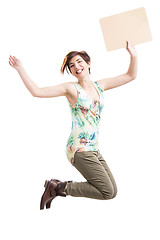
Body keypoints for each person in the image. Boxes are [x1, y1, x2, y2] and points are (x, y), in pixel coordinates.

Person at [9, 41, 137, 210]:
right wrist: (20, 68)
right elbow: (37, 91)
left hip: (93, 148)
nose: (76, 66)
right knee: (106, 191)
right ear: (71, 71)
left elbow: (130, 76)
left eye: (79, 61)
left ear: (88, 63)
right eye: (71, 65)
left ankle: (57, 187)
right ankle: (58, 188)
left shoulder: (100, 86)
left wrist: (133, 55)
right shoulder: (71, 89)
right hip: (79, 149)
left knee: (112, 192)